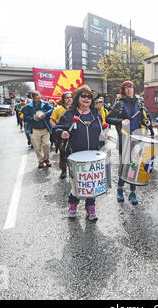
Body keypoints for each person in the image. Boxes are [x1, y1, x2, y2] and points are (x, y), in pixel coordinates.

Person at [53, 85, 102, 221]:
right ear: (77, 98)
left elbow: (100, 131)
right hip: (75, 155)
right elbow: (56, 128)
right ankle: (73, 204)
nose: (87, 99)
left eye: (89, 96)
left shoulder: (95, 114)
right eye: (83, 96)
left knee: (90, 181)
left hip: (93, 155)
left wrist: (104, 135)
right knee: (76, 181)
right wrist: (61, 133)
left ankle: (90, 206)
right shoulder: (69, 114)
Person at [106, 80, 152, 205]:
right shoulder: (120, 103)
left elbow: (143, 117)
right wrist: (121, 121)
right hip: (125, 137)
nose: (129, 89)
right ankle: (120, 189)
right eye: (126, 87)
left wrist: (146, 122)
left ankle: (132, 191)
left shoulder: (139, 102)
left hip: (138, 137)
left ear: (134, 89)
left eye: (131, 87)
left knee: (134, 164)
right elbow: (108, 118)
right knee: (125, 163)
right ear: (123, 90)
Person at [22, 91, 54, 168]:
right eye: (37, 98)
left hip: (45, 128)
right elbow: (25, 117)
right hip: (34, 130)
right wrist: (33, 118)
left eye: (40, 97)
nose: (39, 99)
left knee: (47, 144)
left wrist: (45, 114)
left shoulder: (45, 104)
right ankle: (40, 161)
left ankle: (46, 159)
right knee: (37, 147)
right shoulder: (28, 107)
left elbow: (53, 109)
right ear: (33, 98)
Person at [50, 92, 73, 179]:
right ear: (63, 100)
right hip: (62, 137)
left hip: (73, 136)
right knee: (63, 154)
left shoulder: (76, 109)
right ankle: (63, 170)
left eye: (71, 97)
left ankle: (73, 171)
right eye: (67, 97)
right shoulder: (58, 109)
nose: (69, 99)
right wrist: (57, 130)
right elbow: (52, 120)